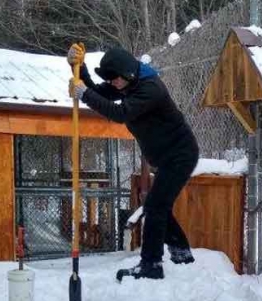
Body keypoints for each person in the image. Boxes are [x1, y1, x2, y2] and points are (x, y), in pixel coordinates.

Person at [67, 43, 199, 280]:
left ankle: (151, 264)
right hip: (167, 157)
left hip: (180, 154)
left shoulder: (150, 89)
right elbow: (100, 91)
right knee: (156, 205)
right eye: (113, 80)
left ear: (126, 73)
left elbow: (120, 114)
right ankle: (181, 254)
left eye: (116, 79)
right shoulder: (130, 83)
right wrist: (78, 68)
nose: (114, 84)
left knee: (155, 207)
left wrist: (83, 94)